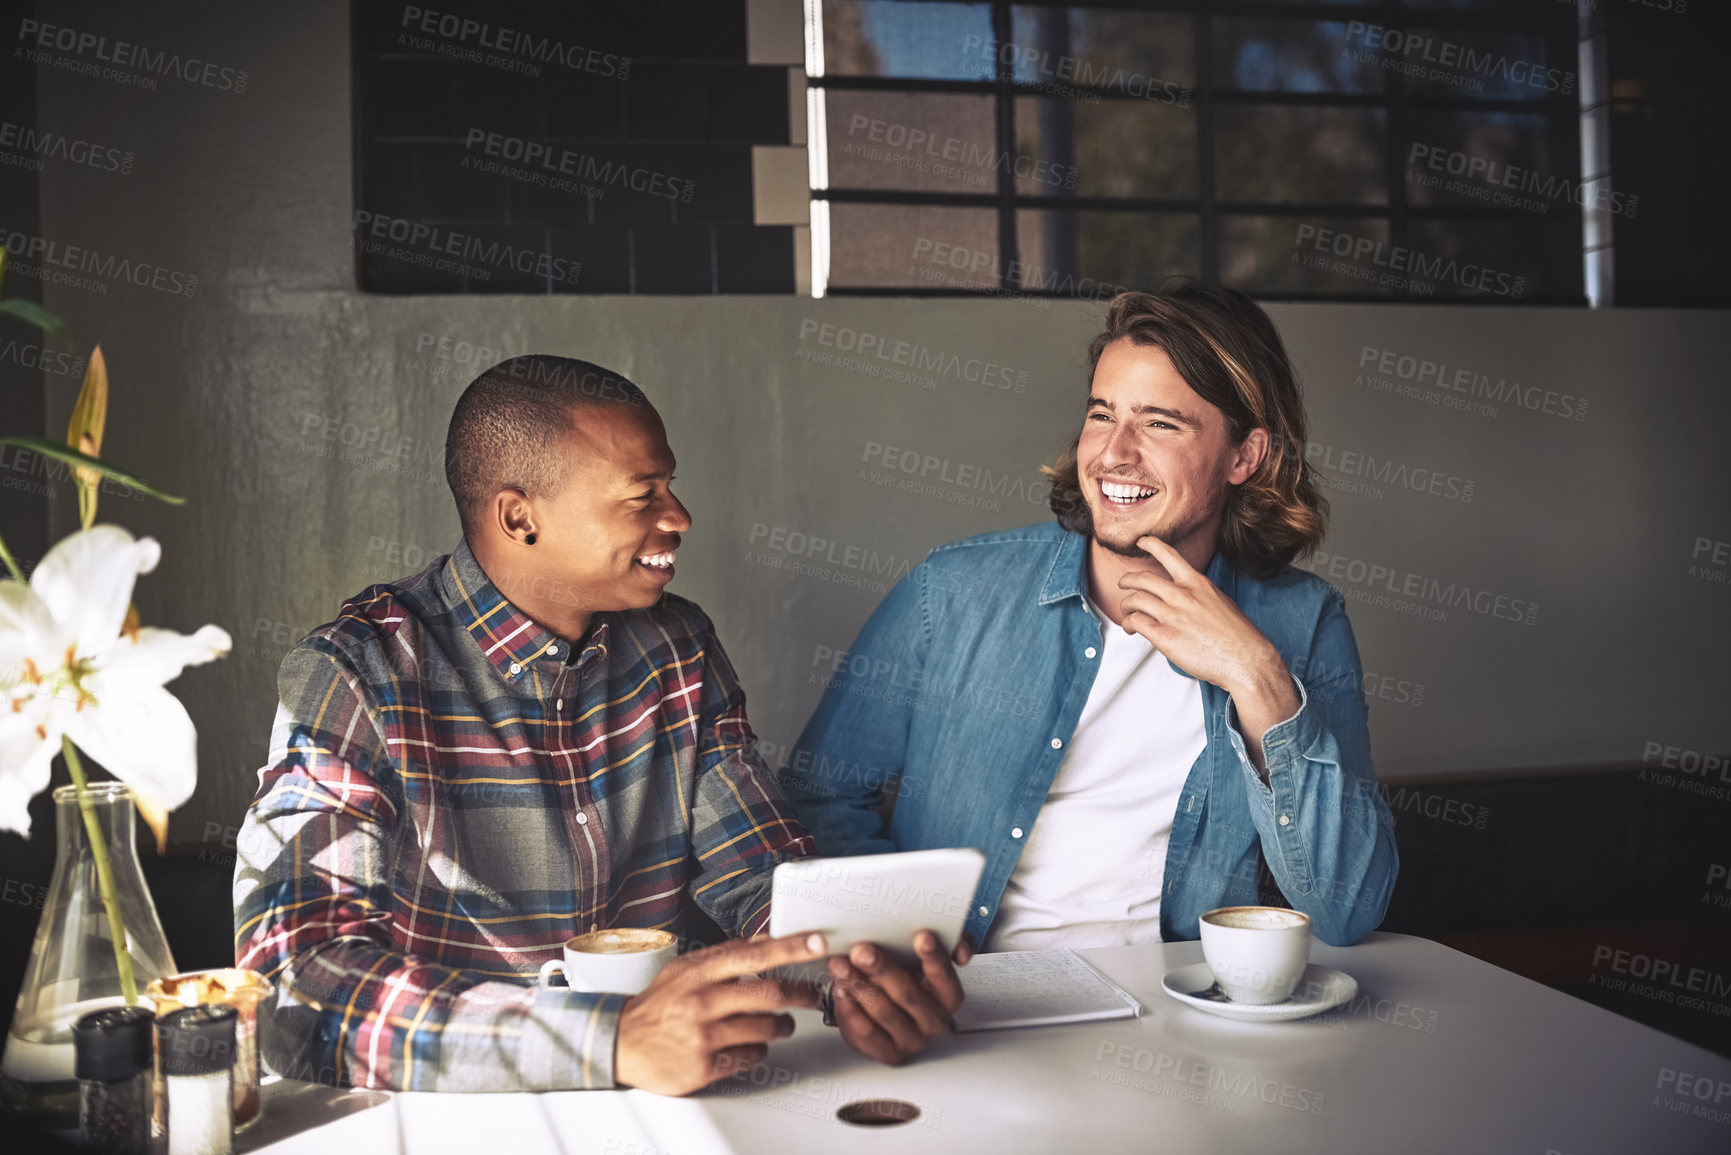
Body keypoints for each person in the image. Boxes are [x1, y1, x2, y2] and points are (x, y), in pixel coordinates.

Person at [233, 355, 962, 1096]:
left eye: (669, 487)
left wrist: (850, 978)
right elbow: (294, 984)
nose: (678, 518)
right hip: (455, 1115)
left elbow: (758, 871)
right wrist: (605, 1041)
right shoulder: (357, 672)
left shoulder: (678, 646)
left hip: (671, 1107)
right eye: (642, 496)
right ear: (520, 517)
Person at [784, 283, 1398, 954]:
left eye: (1160, 422)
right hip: (977, 1002)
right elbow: (816, 798)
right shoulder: (951, 591)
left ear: (1242, 456)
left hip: (1181, 1011)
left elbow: (1345, 908)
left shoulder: (1303, 621)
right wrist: (904, 945)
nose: (1112, 453)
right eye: (1102, 414)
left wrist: (1256, 676)